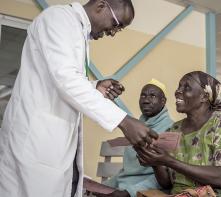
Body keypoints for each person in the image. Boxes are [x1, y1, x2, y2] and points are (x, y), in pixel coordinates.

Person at [0, 1, 158, 197]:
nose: (113, 33)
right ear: (101, 5)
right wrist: (123, 121)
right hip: (35, 143)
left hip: (53, 146)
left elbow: (61, 79)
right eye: (116, 24)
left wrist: (95, 86)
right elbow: (66, 79)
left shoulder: (78, 31)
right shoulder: (59, 19)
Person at [135, 71, 221, 197]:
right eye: (179, 87)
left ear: (204, 96)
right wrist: (155, 163)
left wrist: (169, 161)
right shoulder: (174, 128)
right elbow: (167, 184)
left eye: (186, 87)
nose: (177, 91)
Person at [97, 79, 174, 197]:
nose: (146, 100)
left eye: (152, 96)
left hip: (146, 193)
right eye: (143, 95)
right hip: (123, 189)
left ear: (163, 101)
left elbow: (164, 180)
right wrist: (103, 187)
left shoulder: (170, 129)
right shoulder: (136, 128)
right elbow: (127, 172)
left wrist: (129, 193)